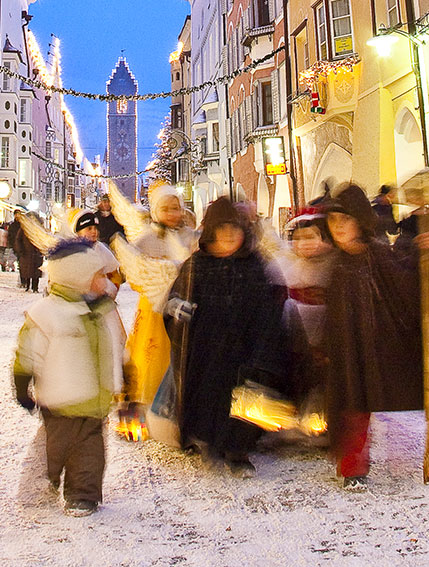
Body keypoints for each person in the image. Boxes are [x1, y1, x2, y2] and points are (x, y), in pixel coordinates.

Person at [162, 196, 288, 475]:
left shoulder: (254, 264)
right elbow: (174, 300)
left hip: (245, 350)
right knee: (209, 398)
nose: (229, 236)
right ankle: (210, 443)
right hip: (206, 350)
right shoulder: (197, 265)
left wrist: (265, 344)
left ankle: (238, 451)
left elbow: (268, 307)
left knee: (244, 402)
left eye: (235, 229)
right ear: (212, 233)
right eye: (223, 230)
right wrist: (177, 309)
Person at [322, 184, 426, 490]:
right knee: (348, 406)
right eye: (333, 221)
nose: (339, 227)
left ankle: (353, 463)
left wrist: (422, 254)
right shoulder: (335, 264)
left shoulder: (376, 254)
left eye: (345, 220)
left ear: (359, 222)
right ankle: (350, 464)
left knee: (360, 405)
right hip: (341, 349)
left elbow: (404, 281)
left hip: (372, 346)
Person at [12, 238, 127, 518]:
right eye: (99, 276)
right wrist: (22, 386)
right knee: (56, 449)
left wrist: (125, 384)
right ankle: (44, 480)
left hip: (95, 402)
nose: (107, 282)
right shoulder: (47, 313)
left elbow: (119, 346)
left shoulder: (104, 311)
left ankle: (82, 494)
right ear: (79, 278)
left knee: (90, 454)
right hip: (59, 401)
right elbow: (27, 353)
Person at [121, 186, 194, 421]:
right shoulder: (147, 239)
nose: (172, 214)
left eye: (176, 208)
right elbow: (134, 270)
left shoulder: (189, 236)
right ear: (155, 211)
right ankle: (149, 396)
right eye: (166, 209)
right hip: (154, 307)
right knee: (153, 352)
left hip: (185, 303)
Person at [278, 205, 335, 435]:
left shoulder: (332, 264)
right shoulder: (286, 264)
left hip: (324, 330)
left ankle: (324, 423)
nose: (305, 243)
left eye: (311, 236)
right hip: (297, 330)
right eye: (299, 238)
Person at [7, 211, 44, 292]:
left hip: (35, 253)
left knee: (35, 271)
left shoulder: (39, 229)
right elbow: (18, 239)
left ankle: (35, 287)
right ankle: (27, 285)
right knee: (27, 270)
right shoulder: (24, 228)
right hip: (26, 252)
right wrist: (20, 250)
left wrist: (41, 250)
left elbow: (43, 240)